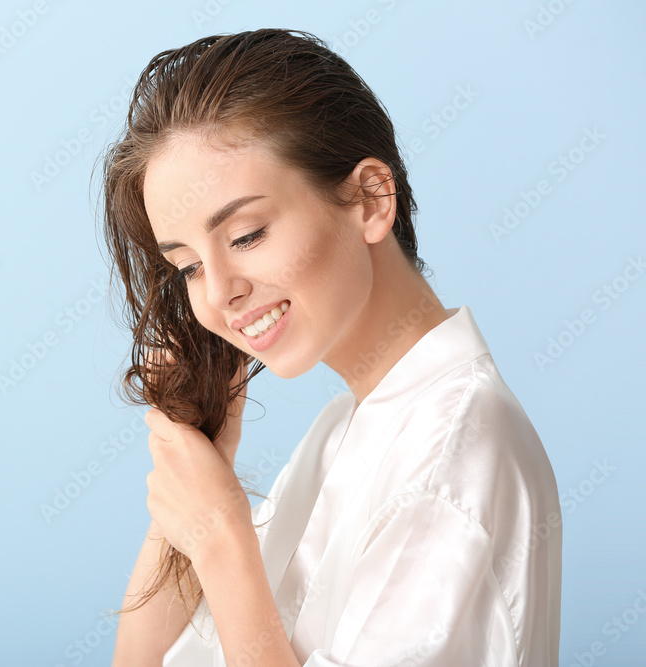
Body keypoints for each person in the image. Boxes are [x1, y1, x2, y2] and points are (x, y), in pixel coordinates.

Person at [96, 29, 561, 666]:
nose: (220, 294)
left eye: (248, 234)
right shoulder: (349, 425)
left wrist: (225, 538)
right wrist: (203, 465)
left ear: (371, 198)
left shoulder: (453, 454)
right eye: (187, 267)